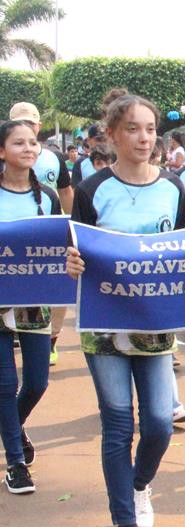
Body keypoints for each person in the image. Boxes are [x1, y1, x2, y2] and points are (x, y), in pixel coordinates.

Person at [65, 94, 185, 527]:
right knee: (118, 422)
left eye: (150, 129)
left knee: (161, 423)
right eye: (133, 129)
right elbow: (78, 248)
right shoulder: (92, 189)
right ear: (113, 135)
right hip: (104, 326)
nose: (144, 138)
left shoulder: (172, 187)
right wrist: (73, 263)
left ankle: (139, 483)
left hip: (155, 325)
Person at [0, 120, 62, 494]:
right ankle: (16, 463)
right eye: (18, 143)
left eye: (33, 142)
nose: (28, 148)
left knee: (37, 382)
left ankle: (13, 426)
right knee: (5, 384)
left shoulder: (48, 197)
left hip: (34, 301)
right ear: (2, 151)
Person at [7, 102, 72, 213]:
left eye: (30, 123)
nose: (25, 128)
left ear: (39, 126)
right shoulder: (4, 156)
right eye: (19, 123)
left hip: (46, 224)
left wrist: (70, 224)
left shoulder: (54, 156)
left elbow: (65, 192)